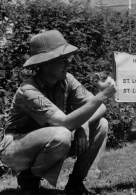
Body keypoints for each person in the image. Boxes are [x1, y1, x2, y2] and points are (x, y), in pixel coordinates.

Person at [0, 29, 116, 195]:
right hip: (16, 149)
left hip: (50, 139)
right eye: (63, 60)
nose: (68, 63)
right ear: (47, 63)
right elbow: (65, 124)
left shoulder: (66, 79)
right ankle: (29, 181)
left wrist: (83, 123)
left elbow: (101, 108)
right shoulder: (28, 90)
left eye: (68, 58)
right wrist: (102, 95)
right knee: (62, 134)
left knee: (101, 124)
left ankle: (76, 184)